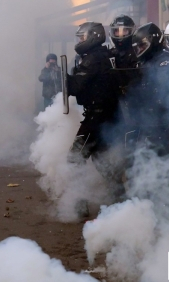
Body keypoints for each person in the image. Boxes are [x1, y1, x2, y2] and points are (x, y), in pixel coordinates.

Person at [66, 22, 121, 216]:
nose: (80, 41)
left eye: (82, 37)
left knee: (74, 158)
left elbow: (75, 87)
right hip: (107, 115)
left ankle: (80, 205)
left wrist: (64, 78)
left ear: (93, 37)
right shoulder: (106, 55)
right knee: (101, 160)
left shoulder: (92, 58)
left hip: (97, 117)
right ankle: (120, 199)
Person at [129, 22, 169, 152]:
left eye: (142, 46)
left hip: (165, 120)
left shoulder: (166, 59)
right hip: (149, 117)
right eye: (137, 48)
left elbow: (159, 87)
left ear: (154, 41)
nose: (139, 51)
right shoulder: (147, 61)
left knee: (160, 156)